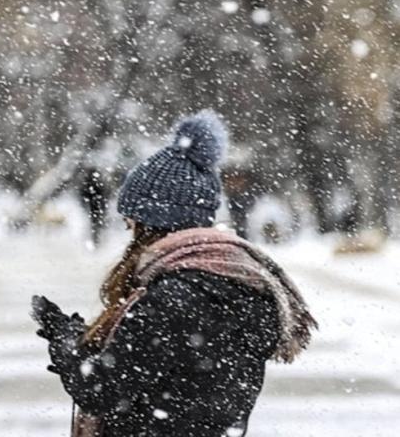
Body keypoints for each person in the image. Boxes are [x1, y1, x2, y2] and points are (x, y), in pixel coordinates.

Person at [31, 110, 316, 436]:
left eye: (132, 221)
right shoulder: (236, 284)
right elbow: (163, 370)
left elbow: (101, 389)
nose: (129, 230)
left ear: (153, 222)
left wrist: (64, 339)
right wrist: (83, 340)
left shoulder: (172, 299)